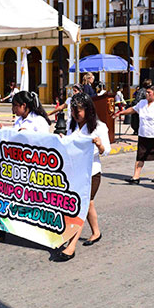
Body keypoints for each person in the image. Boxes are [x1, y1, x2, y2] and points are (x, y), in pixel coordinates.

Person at [0, 91, 51, 241]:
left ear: (24, 105)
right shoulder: (19, 120)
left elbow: (46, 143)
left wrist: (28, 135)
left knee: (36, 201)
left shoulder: (39, 121)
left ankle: (50, 232)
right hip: (17, 166)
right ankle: (1, 228)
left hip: (33, 168)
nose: (13, 110)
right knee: (6, 195)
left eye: (15, 106)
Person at [55, 92, 111, 262]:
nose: (75, 114)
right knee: (88, 205)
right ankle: (96, 232)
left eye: (78, 111)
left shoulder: (99, 127)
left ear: (88, 110)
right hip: (74, 172)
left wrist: (100, 145)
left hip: (91, 173)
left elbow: (106, 150)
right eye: (73, 111)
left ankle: (71, 247)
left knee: (81, 205)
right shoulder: (74, 126)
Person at [113, 85, 154, 184]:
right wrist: (121, 113)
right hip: (143, 134)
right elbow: (133, 109)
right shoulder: (142, 103)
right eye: (146, 92)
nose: (147, 94)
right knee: (140, 156)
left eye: (149, 92)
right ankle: (136, 177)